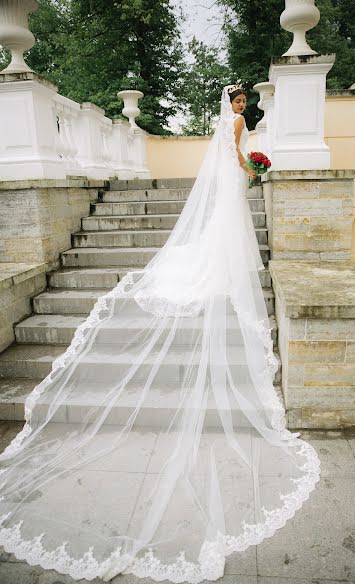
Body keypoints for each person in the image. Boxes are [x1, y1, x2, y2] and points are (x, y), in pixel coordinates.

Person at [0, 85, 320, 583]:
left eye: (241, 102)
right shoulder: (234, 125)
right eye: (239, 101)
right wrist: (254, 169)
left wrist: (246, 167)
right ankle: (224, 276)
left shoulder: (222, 122)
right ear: (233, 103)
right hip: (235, 184)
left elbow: (225, 153)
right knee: (227, 233)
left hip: (228, 188)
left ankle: (220, 272)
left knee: (222, 231)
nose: (241, 107)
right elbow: (236, 155)